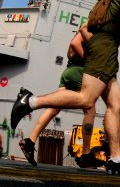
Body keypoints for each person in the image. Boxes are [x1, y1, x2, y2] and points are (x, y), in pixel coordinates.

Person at [11, 0, 120, 174]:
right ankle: (30, 102)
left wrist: (93, 46)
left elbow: (85, 28)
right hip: (106, 49)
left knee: (115, 104)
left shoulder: (106, 1)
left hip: (104, 50)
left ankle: (116, 159)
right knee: (86, 100)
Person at [18, 23, 93, 167]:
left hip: (68, 71)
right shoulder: (90, 31)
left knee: (54, 108)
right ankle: (86, 153)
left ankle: (30, 141)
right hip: (79, 71)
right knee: (90, 108)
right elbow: (75, 43)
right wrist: (89, 62)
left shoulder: (82, 30)